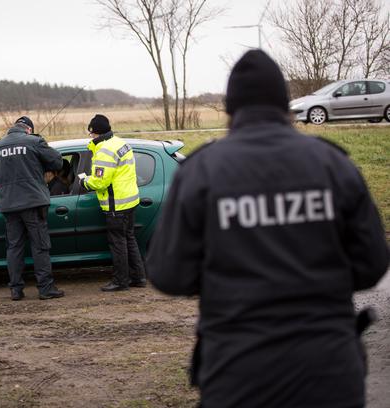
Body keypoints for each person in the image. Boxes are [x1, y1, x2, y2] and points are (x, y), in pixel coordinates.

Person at [146, 49, 389, 408]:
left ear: (230, 109)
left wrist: (224, 275)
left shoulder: (201, 171)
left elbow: (168, 274)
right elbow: (373, 264)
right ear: (285, 104)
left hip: (239, 374)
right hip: (329, 371)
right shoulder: (332, 164)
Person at [0, 116, 65, 301]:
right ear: (29, 129)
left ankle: (16, 290)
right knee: (40, 246)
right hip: (33, 203)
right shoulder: (34, 142)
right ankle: (45, 289)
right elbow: (58, 162)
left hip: (8, 205)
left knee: (14, 247)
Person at [81, 114, 146, 291]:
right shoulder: (120, 143)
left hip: (116, 205)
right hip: (130, 201)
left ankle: (120, 281)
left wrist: (84, 181)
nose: (90, 136)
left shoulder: (104, 151)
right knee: (129, 239)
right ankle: (138, 277)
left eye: (90, 133)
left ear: (95, 132)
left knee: (118, 244)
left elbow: (100, 182)